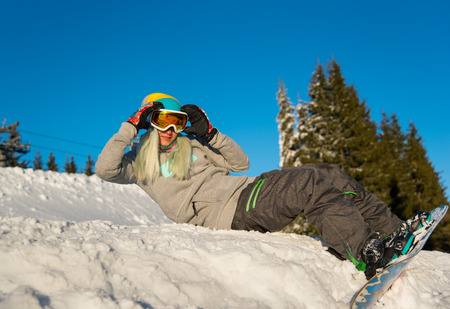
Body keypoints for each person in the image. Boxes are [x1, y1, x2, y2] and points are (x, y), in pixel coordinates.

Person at [95, 92, 429, 279]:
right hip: (228, 214)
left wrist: (209, 133)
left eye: (176, 121)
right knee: (310, 183)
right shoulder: (139, 162)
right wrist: (129, 127)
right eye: (161, 120)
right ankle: (366, 253)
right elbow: (104, 169)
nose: (170, 129)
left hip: (246, 191)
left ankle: (392, 231)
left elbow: (240, 164)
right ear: (149, 121)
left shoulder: (191, 147)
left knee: (328, 171)